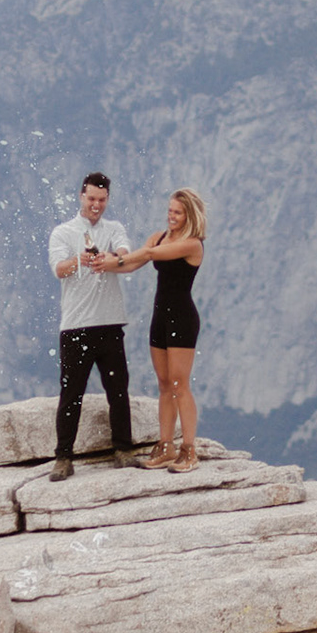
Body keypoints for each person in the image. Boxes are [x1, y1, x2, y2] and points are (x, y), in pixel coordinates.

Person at [108, 188, 206, 473]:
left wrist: (114, 260)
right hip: (160, 317)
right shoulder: (159, 237)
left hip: (182, 319)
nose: (170, 216)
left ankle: (189, 450)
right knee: (164, 384)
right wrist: (105, 264)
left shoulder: (192, 244)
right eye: (169, 210)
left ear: (189, 215)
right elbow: (134, 264)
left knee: (179, 384)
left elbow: (149, 253)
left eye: (177, 212)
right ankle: (166, 446)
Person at [45, 172, 135, 481]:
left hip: (110, 322)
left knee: (118, 390)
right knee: (71, 393)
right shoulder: (63, 232)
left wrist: (110, 257)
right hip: (76, 326)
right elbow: (58, 269)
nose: (96, 205)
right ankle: (63, 457)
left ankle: (123, 449)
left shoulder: (114, 229)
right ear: (81, 197)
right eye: (92, 199)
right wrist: (80, 260)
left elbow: (125, 253)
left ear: (107, 199)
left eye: (102, 200)